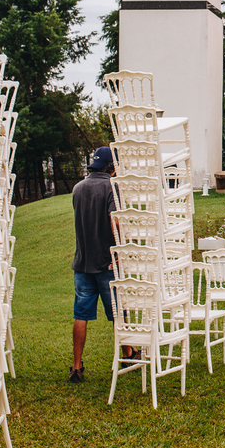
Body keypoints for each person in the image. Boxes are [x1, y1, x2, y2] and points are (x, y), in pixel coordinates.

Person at [70, 146, 132, 382]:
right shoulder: (111, 187)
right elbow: (114, 222)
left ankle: (76, 366)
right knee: (118, 313)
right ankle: (128, 354)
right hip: (106, 264)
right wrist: (122, 248)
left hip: (82, 264)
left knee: (80, 315)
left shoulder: (77, 188)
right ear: (112, 167)